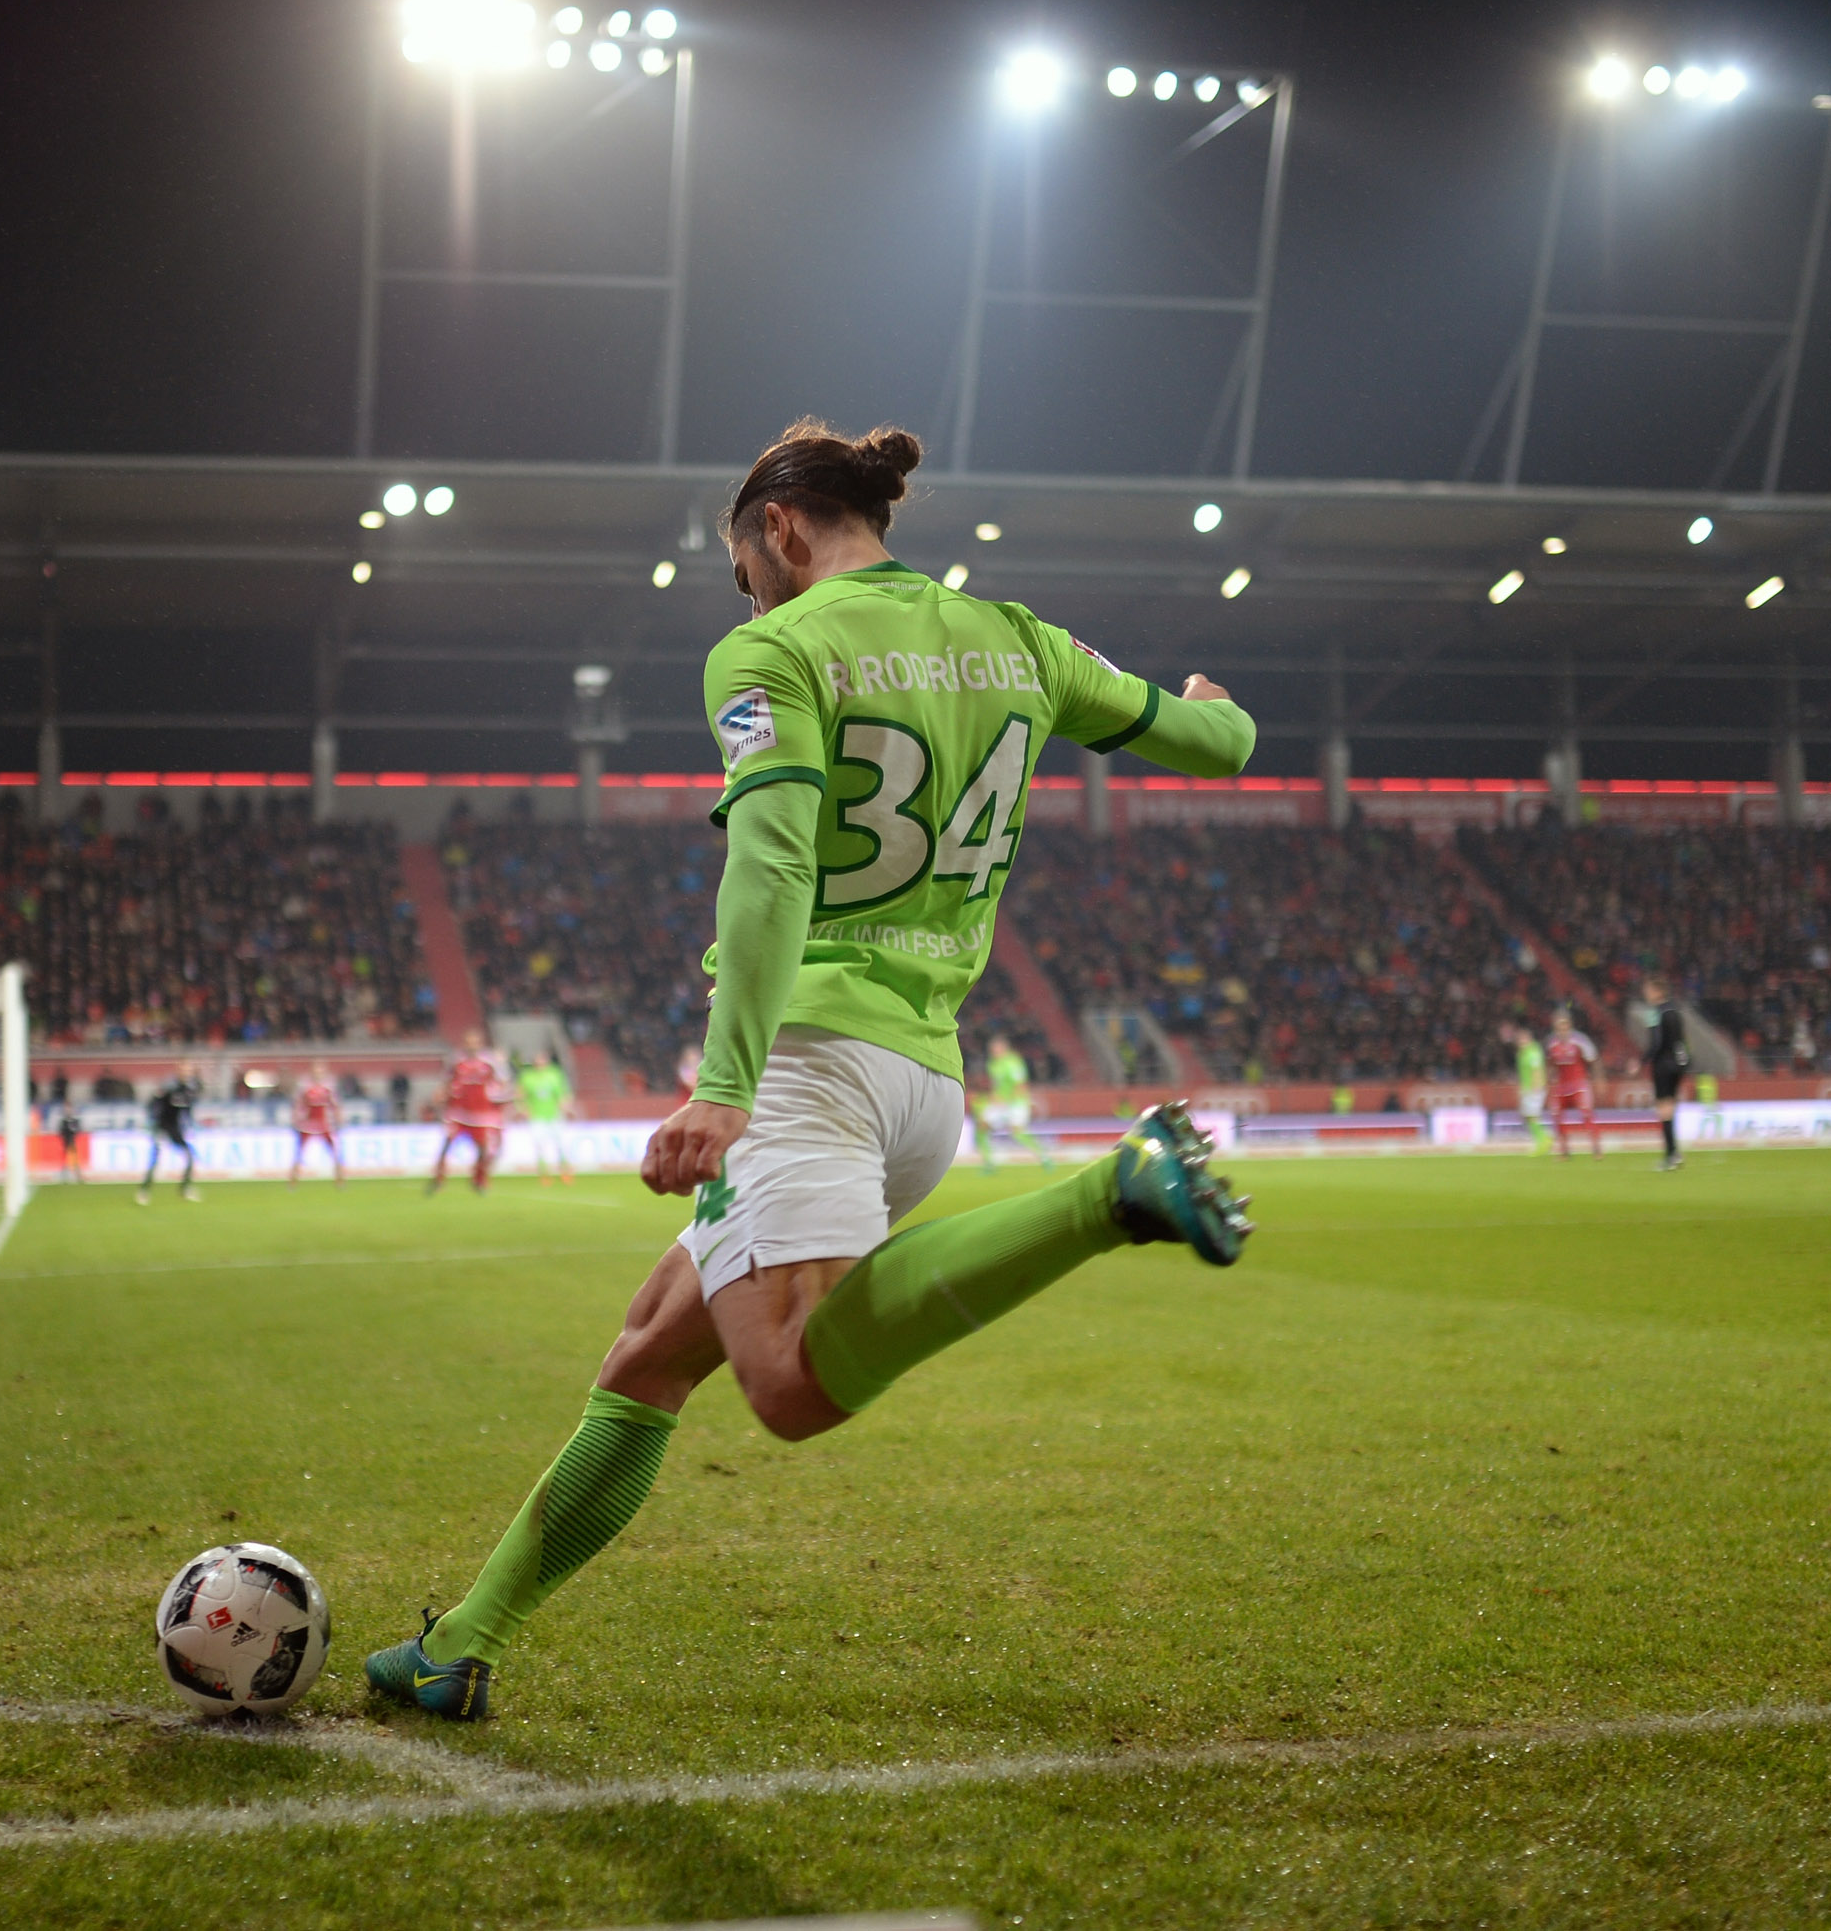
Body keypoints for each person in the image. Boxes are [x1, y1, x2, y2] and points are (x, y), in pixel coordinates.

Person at [364, 419, 1255, 1723]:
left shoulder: (773, 650)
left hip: (803, 1071)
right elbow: (1212, 748)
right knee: (648, 1356)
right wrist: (1218, 718)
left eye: (745, 566)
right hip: (921, 1087)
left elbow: (773, 863)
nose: (748, 592)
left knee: (783, 1384)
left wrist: (727, 1085)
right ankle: (462, 1639)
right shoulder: (1021, 641)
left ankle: (1111, 1191)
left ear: (779, 529)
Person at [430, 1031, 509, 1196]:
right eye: (469, 1042)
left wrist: (502, 1096)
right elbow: (446, 1081)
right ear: (464, 1043)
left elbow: (502, 1082)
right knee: (447, 1144)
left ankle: (479, 1180)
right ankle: (438, 1178)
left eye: (475, 1041)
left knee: (483, 1150)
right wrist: (440, 1094)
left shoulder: (490, 1061)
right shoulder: (456, 1061)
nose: (472, 1045)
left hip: (480, 1114)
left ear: (480, 1043)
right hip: (458, 1112)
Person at [972, 1033, 1048, 1173]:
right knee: (981, 1126)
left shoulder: (1013, 1062)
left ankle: (1044, 1157)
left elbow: (1020, 1085)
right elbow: (998, 1086)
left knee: (1017, 1132)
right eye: (992, 1049)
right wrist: (993, 1097)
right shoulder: (993, 1064)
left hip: (1016, 1103)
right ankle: (989, 1163)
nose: (993, 1051)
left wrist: (1006, 1101)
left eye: (996, 1049)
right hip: (1002, 1104)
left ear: (1004, 1048)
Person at [1643, 977, 1692, 1172]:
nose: (1646, 994)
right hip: (1679, 1064)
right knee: (1670, 1107)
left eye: (1648, 990)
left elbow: (1656, 1043)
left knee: (1663, 1109)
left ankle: (1671, 1155)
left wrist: (1643, 1060)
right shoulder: (1675, 1011)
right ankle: (1675, 1153)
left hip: (1663, 1064)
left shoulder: (1655, 1013)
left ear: (1657, 991)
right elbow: (1681, 1040)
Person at [1543, 1007, 1601, 1160]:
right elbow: (1549, 1064)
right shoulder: (1551, 1043)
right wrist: (1548, 1083)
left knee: (1587, 1115)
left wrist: (1599, 1079)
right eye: (1558, 1025)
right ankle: (1564, 1151)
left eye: (1564, 1025)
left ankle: (1596, 1149)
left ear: (1569, 1025)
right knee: (1556, 1116)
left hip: (1579, 1085)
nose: (1562, 1028)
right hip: (1561, 1086)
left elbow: (1593, 1059)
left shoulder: (1580, 1041)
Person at [139, 1065, 200, 1205]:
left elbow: (187, 1111)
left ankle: (185, 1189)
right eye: (184, 1070)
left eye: (189, 1071)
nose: (186, 1073)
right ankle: (144, 1190)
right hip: (162, 1127)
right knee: (156, 1159)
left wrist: (190, 1125)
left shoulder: (189, 1091)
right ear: (179, 1072)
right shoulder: (169, 1088)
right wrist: (153, 1120)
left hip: (175, 1128)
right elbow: (153, 1103)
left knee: (190, 1156)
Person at [518, 1051, 575, 1184]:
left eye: (542, 1060)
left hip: (554, 1115)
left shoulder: (555, 1074)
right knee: (540, 1146)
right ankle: (544, 1173)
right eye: (537, 1060)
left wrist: (565, 1105)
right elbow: (520, 1095)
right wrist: (523, 1109)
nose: (540, 1063)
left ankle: (564, 1170)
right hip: (536, 1116)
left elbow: (563, 1092)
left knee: (560, 1144)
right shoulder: (527, 1076)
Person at [289, 1063, 343, 1185]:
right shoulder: (305, 1089)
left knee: (334, 1151)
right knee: (299, 1152)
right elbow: (298, 1105)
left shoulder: (328, 1089)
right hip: (308, 1125)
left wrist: (338, 1118)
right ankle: (293, 1180)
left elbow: (335, 1105)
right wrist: (296, 1118)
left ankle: (339, 1180)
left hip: (324, 1124)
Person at [1505, 1022, 1552, 1156]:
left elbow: (1536, 1070)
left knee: (1531, 1116)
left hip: (1534, 1089)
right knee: (1529, 1116)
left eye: (1523, 1039)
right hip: (1528, 1089)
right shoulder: (1523, 1053)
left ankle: (1543, 1140)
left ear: (1529, 1038)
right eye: (1519, 1040)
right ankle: (1543, 1138)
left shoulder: (1532, 1052)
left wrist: (1535, 1087)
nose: (1520, 1042)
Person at [56, 1096, 88, 1184]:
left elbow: (78, 1130)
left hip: (73, 1143)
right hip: (65, 1143)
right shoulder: (64, 1121)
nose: (68, 1110)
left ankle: (78, 1176)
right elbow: (60, 1131)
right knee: (65, 1161)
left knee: (75, 1161)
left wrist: (73, 1132)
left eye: (69, 1108)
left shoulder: (74, 1120)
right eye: (66, 1108)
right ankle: (64, 1177)